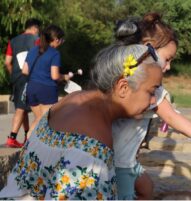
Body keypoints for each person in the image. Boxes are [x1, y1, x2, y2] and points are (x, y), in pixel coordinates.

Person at [0, 43, 163, 199]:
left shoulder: (71, 99)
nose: (154, 101)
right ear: (123, 87)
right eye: (152, 91)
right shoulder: (93, 148)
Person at [112, 12, 191, 200]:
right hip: (120, 163)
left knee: (146, 190)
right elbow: (172, 117)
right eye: (168, 58)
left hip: (127, 160)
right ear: (148, 50)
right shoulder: (141, 86)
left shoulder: (131, 78)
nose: (169, 66)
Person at [22, 25, 72, 139]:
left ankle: (36, 147)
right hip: (46, 90)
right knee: (43, 120)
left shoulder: (33, 50)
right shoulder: (54, 53)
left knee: (40, 119)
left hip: (31, 88)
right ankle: (28, 142)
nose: (62, 42)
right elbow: (54, 76)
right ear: (56, 40)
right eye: (62, 40)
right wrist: (64, 77)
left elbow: (25, 71)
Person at [4, 18, 41, 148]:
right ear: (35, 28)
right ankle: (12, 138)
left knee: (22, 106)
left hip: (16, 78)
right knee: (21, 108)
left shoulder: (13, 41)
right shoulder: (37, 40)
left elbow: (7, 62)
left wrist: (13, 74)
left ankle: (26, 135)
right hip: (30, 78)